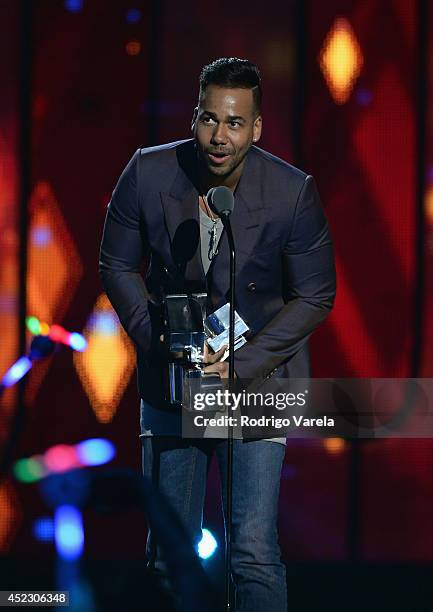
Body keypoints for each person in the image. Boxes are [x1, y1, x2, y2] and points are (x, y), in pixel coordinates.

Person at [99, 57, 336, 612]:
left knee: (251, 552)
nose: (218, 136)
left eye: (234, 123)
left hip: (257, 382)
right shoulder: (148, 172)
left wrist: (245, 363)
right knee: (167, 554)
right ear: (193, 119)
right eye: (209, 119)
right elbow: (115, 264)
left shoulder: (292, 192)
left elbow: (316, 295)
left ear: (256, 128)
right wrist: (155, 339)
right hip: (174, 380)